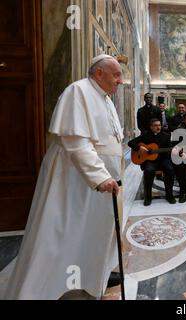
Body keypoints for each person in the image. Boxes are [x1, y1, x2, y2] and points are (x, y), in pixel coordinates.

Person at [5, 55, 124, 300]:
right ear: (99, 73)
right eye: (116, 74)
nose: (120, 81)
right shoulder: (77, 91)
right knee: (68, 232)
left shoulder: (105, 99)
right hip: (76, 180)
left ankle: (94, 274)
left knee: (95, 231)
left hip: (98, 182)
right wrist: (99, 176)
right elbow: (76, 140)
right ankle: (52, 285)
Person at [128, 119, 176, 206]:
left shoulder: (166, 135)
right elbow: (130, 143)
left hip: (163, 159)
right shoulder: (145, 135)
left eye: (159, 125)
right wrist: (139, 148)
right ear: (151, 127)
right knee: (149, 171)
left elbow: (169, 148)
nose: (158, 127)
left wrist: (172, 151)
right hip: (150, 161)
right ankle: (148, 196)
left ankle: (169, 195)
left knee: (170, 169)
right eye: (155, 125)